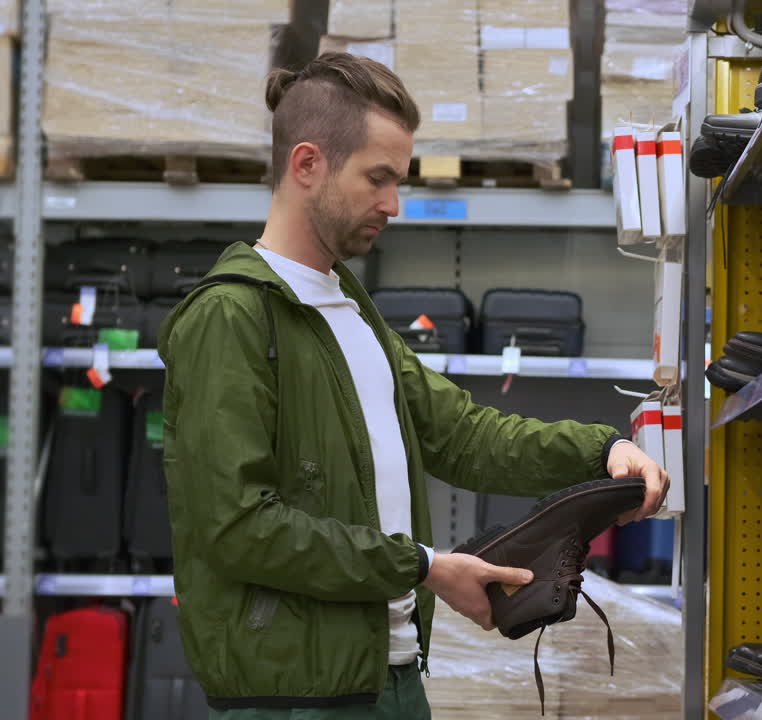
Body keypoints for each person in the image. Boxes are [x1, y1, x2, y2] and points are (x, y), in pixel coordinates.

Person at [157, 53, 670, 720]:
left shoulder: (349, 308)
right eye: (378, 179)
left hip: (389, 679)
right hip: (292, 699)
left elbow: (461, 435)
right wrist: (425, 566)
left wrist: (599, 452)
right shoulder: (231, 317)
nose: (393, 204)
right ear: (307, 165)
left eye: (397, 180)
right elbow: (240, 527)